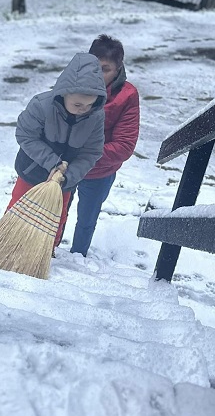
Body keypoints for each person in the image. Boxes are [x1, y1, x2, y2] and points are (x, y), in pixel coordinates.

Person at [8, 52, 108, 250]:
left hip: (64, 183)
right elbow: (25, 135)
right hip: (32, 172)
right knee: (18, 211)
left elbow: (91, 153)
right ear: (63, 93)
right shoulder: (41, 106)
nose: (83, 109)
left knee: (55, 219)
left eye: (89, 105)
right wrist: (53, 163)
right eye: (78, 104)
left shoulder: (95, 117)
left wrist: (68, 176)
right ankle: (8, 245)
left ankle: (44, 251)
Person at [70, 35, 140, 257]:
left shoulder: (127, 96)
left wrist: (86, 155)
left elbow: (124, 145)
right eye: (93, 66)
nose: (97, 74)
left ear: (118, 69)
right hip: (67, 167)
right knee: (55, 211)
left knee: (86, 220)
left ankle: (77, 257)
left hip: (99, 172)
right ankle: (48, 251)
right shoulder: (72, 83)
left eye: (105, 69)